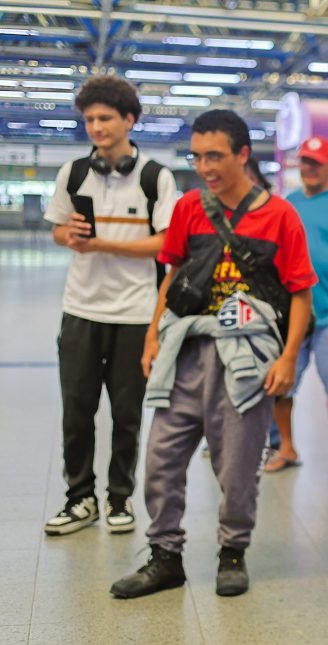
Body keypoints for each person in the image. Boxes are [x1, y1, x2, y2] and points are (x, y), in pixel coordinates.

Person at [109, 110, 315, 599]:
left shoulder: (280, 215)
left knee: (238, 464)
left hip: (247, 358)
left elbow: (301, 292)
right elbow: (174, 272)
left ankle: (233, 551)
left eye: (215, 156)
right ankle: (165, 557)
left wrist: (287, 359)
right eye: (197, 156)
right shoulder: (188, 209)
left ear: (243, 154)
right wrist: (154, 336)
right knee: (162, 455)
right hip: (186, 349)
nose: (204, 167)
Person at [43, 75, 178, 536]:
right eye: (89, 120)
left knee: (126, 415)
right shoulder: (73, 173)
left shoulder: (155, 177)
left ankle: (119, 498)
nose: (96, 127)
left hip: (135, 314)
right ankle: (79, 499)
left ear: (129, 120)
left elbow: (166, 245)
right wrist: (73, 238)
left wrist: (105, 243)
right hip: (80, 309)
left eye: (105, 118)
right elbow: (57, 229)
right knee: (76, 412)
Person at [264, 135, 328, 474]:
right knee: (281, 382)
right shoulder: (287, 203)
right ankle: (287, 447)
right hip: (292, 315)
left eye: (316, 163)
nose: (309, 168)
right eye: (305, 161)